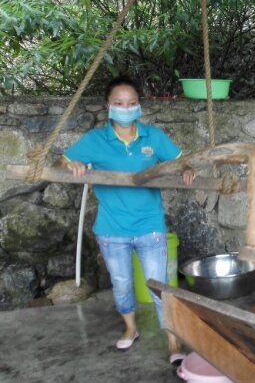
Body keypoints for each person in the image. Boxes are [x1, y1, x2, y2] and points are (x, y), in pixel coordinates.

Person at [61, 76, 195, 365]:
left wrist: (186, 169)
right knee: (121, 284)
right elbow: (64, 160)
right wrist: (73, 163)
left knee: (159, 286)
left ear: (139, 106)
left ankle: (173, 343)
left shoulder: (153, 137)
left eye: (131, 103)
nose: (126, 108)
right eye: (119, 103)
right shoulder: (95, 140)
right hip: (112, 229)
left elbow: (181, 160)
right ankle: (131, 328)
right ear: (108, 106)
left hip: (150, 225)